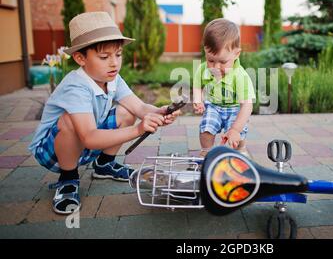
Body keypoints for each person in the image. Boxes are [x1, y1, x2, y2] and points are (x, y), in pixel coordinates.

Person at [28, 12, 180, 214]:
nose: (114, 63)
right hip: (53, 151)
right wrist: (138, 130)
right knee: (69, 121)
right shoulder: (76, 87)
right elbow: (89, 138)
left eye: (118, 54)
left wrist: (159, 112)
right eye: (104, 57)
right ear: (80, 58)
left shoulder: (113, 78)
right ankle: (68, 178)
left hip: (87, 140)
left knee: (126, 112)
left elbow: (139, 107)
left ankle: (104, 164)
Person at [193, 18, 255, 158]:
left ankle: (241, 150)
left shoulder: (240, 76)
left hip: (235, 108)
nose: (215, 67)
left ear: (236, 54)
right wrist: (198, 100)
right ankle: (206, 152)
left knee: (236, 136)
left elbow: (247, 105)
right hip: (214, 106)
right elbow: (197, 85)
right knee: (206, 128)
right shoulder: (203, 70)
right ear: (205, 51)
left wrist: (235, 129)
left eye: (222, 62)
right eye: (211, 60)